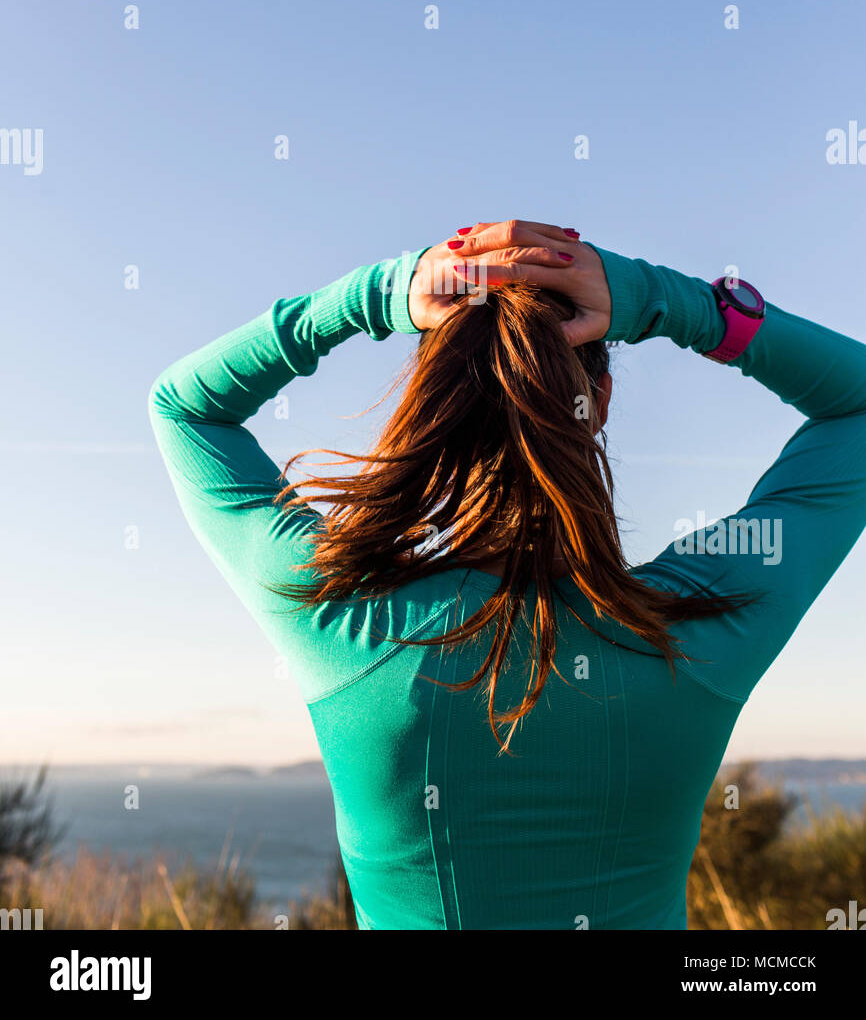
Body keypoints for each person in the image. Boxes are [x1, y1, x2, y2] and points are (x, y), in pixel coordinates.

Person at [149, 219, 866, 929]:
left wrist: (382, 294)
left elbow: (185, 409)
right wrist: (669, 303)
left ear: (429, 399)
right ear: (601, 401)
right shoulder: (699, 623)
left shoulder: (342, 615)